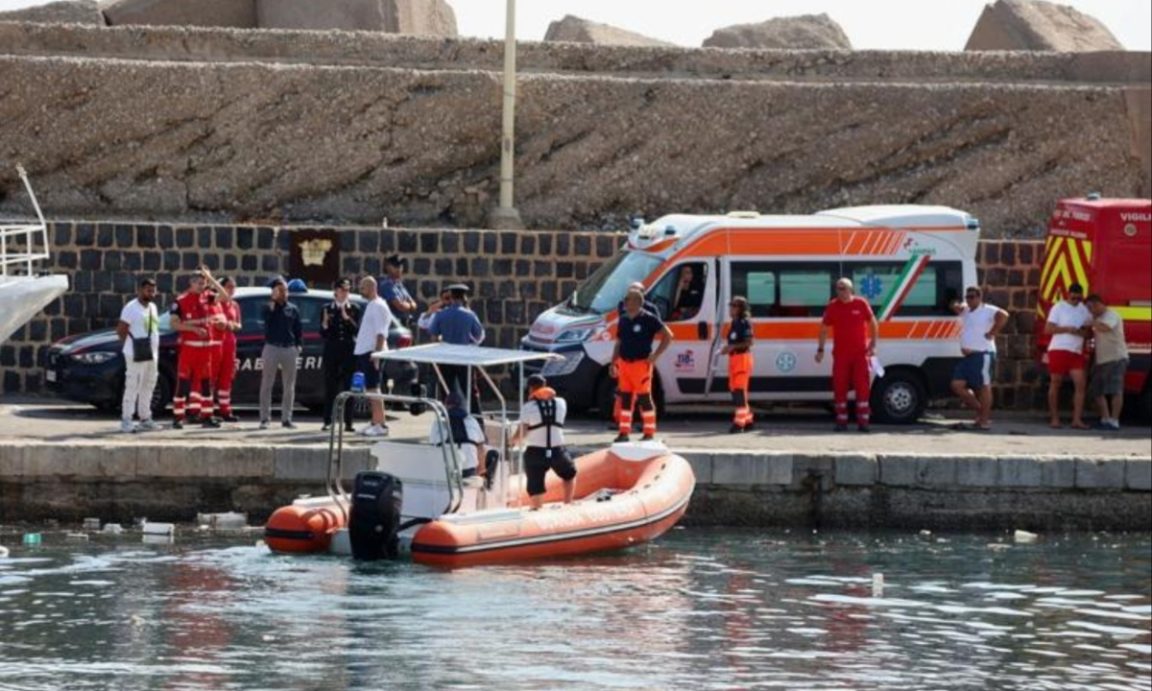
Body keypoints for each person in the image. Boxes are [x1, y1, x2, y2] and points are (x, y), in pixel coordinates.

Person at [817, 278, 880, 433]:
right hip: (841, 356)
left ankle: (863, 423)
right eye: (838, 288)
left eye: (843, 288)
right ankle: (841, 422)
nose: (840, 291)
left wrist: (873, 343)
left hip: (860, 355)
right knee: (839, 387)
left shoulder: (861, 303)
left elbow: (873, 323)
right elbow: (824, 329)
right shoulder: (833, 306)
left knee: (862, 388)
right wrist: (820, 349)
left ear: (851, 290)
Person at [612, 289, 673, 442]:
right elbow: (618, 343)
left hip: (641, 364)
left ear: (638, 302)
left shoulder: (649, 318)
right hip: (624, 364)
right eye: (625, 299)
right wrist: (614, 363)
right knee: (625, 398)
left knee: (644, 398)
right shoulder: (624, 319)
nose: (625, 302)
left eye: (628, 299)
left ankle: (649, 432)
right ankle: (624, 432)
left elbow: (668, 335)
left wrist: (656, 355)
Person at [511, 374, 577, 510]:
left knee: (536, 486)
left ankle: (537, 509)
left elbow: (521, 433)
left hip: (535, 452)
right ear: (545, 385)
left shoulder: (527, 407)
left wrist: (511, 441)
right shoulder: (561, 403)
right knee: (569, 474)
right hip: (557, 451)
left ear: (530, 389)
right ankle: (568, 504)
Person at [949, 286, 1009, 431]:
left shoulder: (987, 309)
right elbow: (954, 307)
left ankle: (984, 420)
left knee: (984, 387)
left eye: (972, 297)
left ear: (979, 297)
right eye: (967, 297)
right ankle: (979, 409)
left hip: (983, 353)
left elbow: (1004, 315)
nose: (969, 299)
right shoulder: (966, 311)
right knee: (957, 385)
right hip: (968, 356)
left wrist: (992, 332)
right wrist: (955, 304)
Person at [169, 273, 222, 429]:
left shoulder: (208, 297)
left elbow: (225, 296)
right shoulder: (180, 301)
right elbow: (174, 324)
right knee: (183, 384)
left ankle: (207, 416)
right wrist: (193, 329)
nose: (202, 286)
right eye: (199, 283)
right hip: (189, 349)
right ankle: (178, 417)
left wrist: (211, 278)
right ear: (191, 283)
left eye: (204, 283)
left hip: (205, 350)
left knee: (206, 385)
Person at [429, 283, 485, 412]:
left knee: (446, 391)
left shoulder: (441, 315)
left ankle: (447, 419)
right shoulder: (470, 315)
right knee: (470, 391)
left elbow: (433, 337)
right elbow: (479, 336)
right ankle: (477, 420)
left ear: (451, 296)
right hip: (464, 357)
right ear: (464, 297)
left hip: (445, 357)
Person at [1045, 283, 1093, 430]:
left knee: (1080, 384)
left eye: (1078, 298)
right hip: (1059, 349)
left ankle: (1076, 419)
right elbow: (1048, 329)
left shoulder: (1085, 311)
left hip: (1076, 351)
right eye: (1073, 297)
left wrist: (1079, 332)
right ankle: (1054, 418)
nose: (1076, 300)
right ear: (1068, 294)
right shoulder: (1058, 307)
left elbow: (1088, 333)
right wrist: (1066, 329)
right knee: (1056, 383)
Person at [116, 278, 161, 433]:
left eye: (153, 290)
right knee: (132, 385)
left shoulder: (153, 307)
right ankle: (126, 420)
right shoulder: (131, 307)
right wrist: (130, 347)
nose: (151, 293)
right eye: (148, 290)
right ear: (140, 290)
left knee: (149, 385)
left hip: (152, 353)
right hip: (135, 353)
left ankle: (145, 418)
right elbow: (121, 330)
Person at [259, 277, 303, 430]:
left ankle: (287, 419)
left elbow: (298, 329)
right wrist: (273, 301)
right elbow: (266, 319)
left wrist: (298, 346)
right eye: (280, 290)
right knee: (267, 384)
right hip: (272, 347)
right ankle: (265, 418)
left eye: (285, 290)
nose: (284, 293)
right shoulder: (268, 307)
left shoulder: (293, 309)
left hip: (289, 348)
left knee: (289, 386)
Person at [198, 272, 243, 423]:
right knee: (211, 378)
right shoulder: (214, 301)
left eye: (233, 287)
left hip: (230, 344)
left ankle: (225, 410)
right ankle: (207, 411)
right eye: (229, 287)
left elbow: (238, 324)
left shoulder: (234, 305)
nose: (232, 290)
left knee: (226, 378)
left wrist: (230, 325)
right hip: (215, 343)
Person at [354, 276, 394, 438]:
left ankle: (380, 424)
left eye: (363, 287)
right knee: (370, 388)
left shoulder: (378, 306)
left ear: (371, 287)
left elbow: (381, 332)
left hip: (372, 352)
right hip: (367, 352)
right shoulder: (372, 305)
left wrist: (376, 354)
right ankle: (375, 421)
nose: (360, 290)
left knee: (374, 387)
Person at [321, 278, 362, 432]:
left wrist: (346, 317)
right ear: (336, 291)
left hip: (348, 352)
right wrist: (325, 325)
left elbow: (356, 330)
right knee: (330, 386)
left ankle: (349, 422)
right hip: (332, 351)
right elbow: (323, 333)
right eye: (343, 290)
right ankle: (328, 420)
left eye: (347, 290)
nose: (346, 293)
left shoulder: (354, 308)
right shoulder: (327, 308)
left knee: (349, 386)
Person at [1086, 294, 1129, 431]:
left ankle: (1114, 421)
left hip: (1116, 357)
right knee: (1097, 390)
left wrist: (1091, 322)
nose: (1090, 311)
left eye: (1091, 307)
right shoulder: (1097, 318)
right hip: (1101, 359)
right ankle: (1105, 419)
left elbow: (1105, 328)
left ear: (1098, 304)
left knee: (1115, 390)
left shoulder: (1112, 315)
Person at [429, 390, 488, 481]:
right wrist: (481, 470)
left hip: (446, 472)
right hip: (469, 471)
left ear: (446, 406)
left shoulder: (438, 422)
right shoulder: (472, 421)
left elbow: (432, 447)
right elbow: (481, 448)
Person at [723, 296, 755, 434]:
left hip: (742, 358)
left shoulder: (744, 323)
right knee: (734, 389)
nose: (731, 308)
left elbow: (749, 342)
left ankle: (739, 423)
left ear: (741, 308)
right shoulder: (734, 322)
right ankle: (748, 420)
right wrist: (729, 348)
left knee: (739, 391)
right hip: (734, 359)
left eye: (734, 305)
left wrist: (732, 347)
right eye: (731, 305)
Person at [380, 255, 418, 324]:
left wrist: (409, 305)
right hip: (392, 324)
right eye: (396, 266)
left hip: (404, 323)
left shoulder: (399, 285)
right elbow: (400, 306)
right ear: (388, 267)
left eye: (400, 266)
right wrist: (410, 306)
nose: (399, 269)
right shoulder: (386, 286)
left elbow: (414, 303)